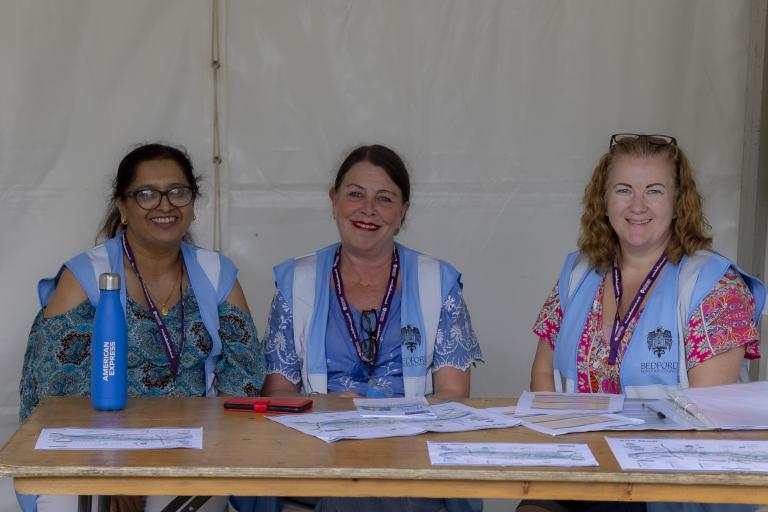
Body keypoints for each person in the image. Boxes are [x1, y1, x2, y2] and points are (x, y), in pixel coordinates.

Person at [521, 134, 766, 512]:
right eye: (623, 190)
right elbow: (541, 378)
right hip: (584, 474)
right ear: (603, 201)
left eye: (654, 191)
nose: (637, 205)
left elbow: (708, 417)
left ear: (677, 203)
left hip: (671, 485)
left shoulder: (715, 285)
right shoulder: (578, 272)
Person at [19, 143, 265, 512]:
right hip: (89, 453)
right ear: (122, 207)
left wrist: (203, 448)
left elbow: (244, 377)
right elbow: (54, 395)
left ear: (193, 205)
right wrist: (115, 466)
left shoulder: (216, 274)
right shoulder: (87, 277)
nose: (165, 205)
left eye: (178, 193)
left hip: (190, 448)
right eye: (147, 194)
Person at [257, 144, 483, 512]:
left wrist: (378, 412)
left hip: (412, 458)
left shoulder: (437, 282)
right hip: (320, 455)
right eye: (355, 194)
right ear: (333, 201)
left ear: (403, 211)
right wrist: (330, 407)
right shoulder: (296, 282)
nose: (368, 209)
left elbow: (453, 397)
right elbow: (278, 396)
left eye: (384, 199)